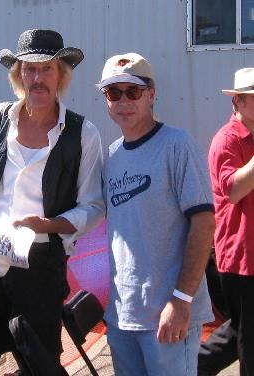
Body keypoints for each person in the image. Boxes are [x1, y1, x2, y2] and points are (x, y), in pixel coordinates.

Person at [0, 29, 105, 375]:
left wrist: (48, 225)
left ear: (61, 75)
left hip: (42, 266)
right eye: (29, 69)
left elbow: (93, 207)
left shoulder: (83, 134)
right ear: (18, 74)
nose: (37, 78)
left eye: (46, 69)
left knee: (38, 363)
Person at [98, 53, 215, 376]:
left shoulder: (177, 145)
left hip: (169, 317)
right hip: (123, 318)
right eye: (113, 92)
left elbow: (204, 222)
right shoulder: (111, 158)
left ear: (151, 94)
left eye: (132, 91)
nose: (123, 100)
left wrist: (181, 300)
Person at [199, 67, 254, 376]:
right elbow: (233, 190)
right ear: (238, 101)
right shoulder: (227, 140)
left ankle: (192, 367)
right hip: (242, 258)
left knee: (239, 332)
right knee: (248, 339)